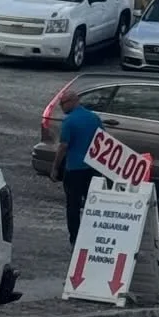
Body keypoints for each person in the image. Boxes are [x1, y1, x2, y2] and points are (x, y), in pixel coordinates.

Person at [54, 86, 102, 246]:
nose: (61, 108)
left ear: (72, 102)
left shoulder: (69, 121)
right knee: (92, 204)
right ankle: (93, 237)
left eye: (62, 104)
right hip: (93, 169)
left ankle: (75, 239)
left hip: (74, 169)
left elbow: (63, 146)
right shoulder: (94, 118)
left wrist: (55, 167)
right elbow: (102, 140)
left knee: (73, 206)